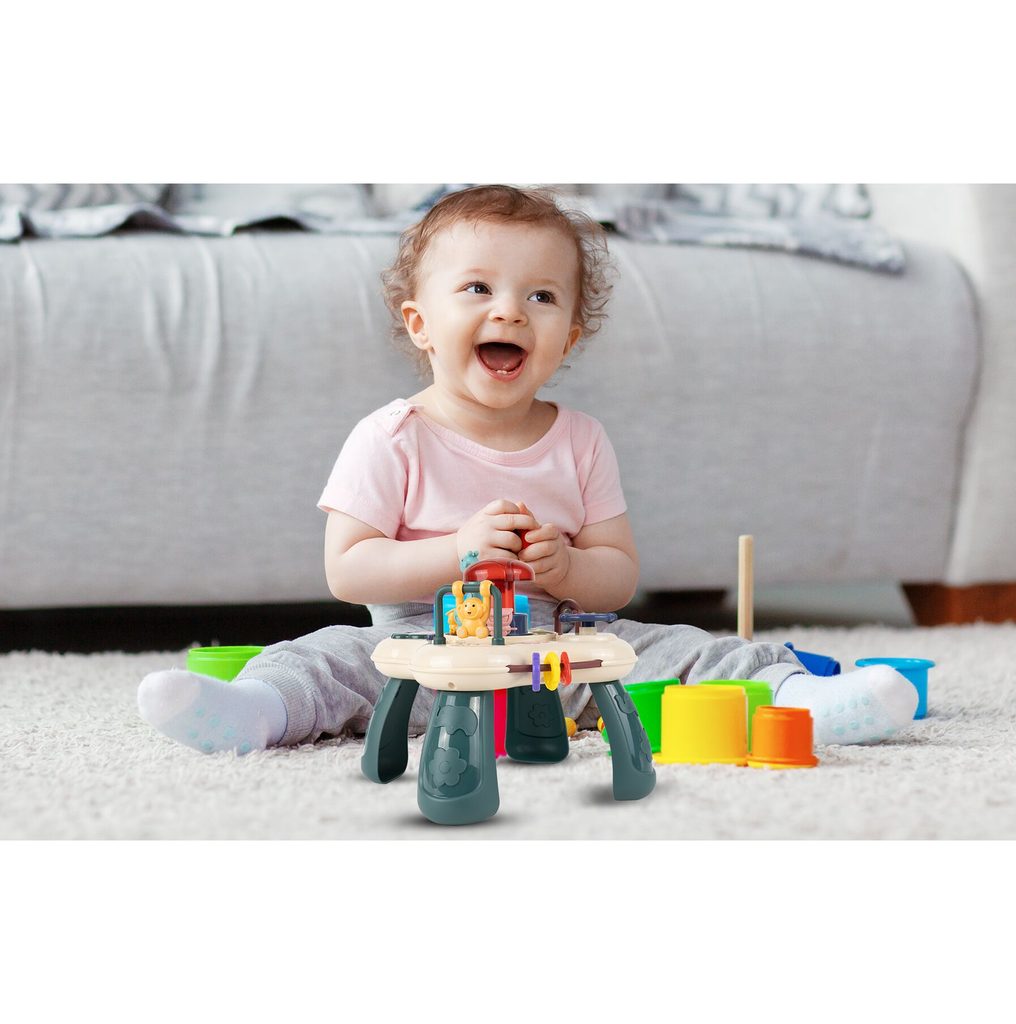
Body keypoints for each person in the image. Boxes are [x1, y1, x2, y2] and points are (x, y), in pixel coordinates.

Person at [138, 185, 917, 755]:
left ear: (568, 337)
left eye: (541, 296)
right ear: (421, 323)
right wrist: (457, 552)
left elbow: (617, 576)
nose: (509, 310)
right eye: (477, 288)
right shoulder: (391, 437)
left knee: (685, 648)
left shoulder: (580, 440)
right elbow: (349, 570)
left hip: (564, 651)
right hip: (421, 656)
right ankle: (254, 712)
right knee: (323, 659)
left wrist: (570, 566)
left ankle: (801, 699)